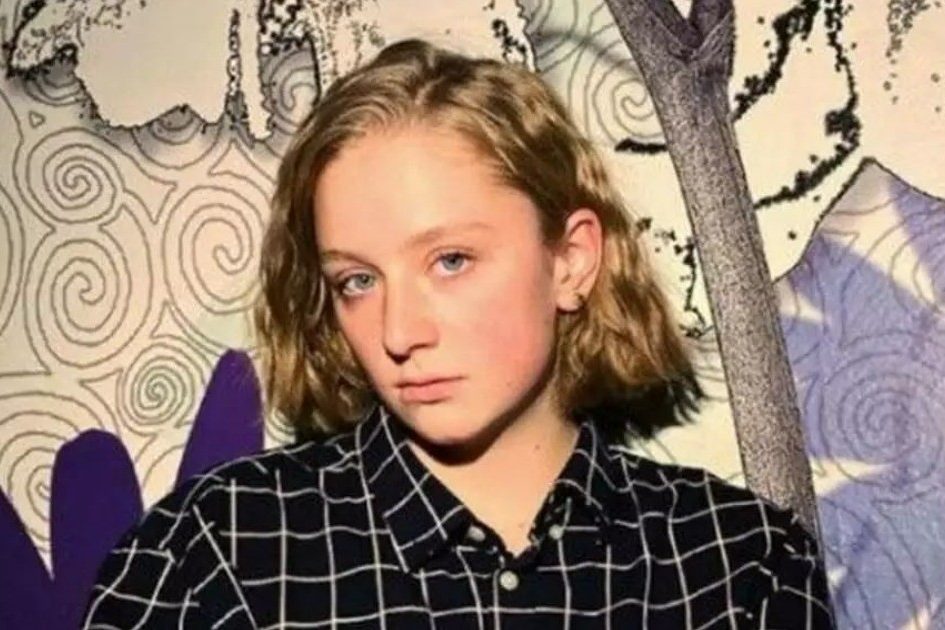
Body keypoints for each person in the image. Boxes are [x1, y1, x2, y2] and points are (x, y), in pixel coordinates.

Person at [82, 39, 834, 628]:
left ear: (571, 260)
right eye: (357, 280)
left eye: (450, 261)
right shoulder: (212, 558)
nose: (398, 332)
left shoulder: (737, 566)